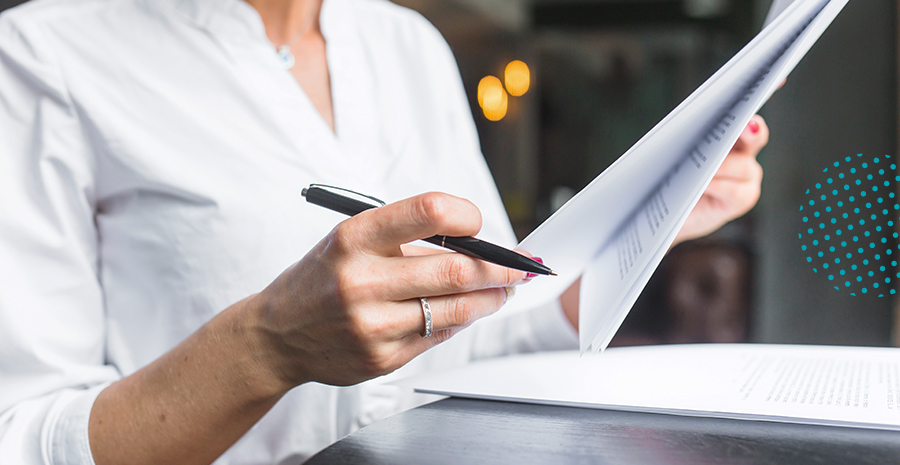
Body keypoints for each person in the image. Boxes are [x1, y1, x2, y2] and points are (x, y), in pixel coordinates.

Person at [0, 0, 769, 463]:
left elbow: (483, 328)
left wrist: (648, 223)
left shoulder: (407, 46)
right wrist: (268, 345)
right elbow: (24, 440)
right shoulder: (46, 55)